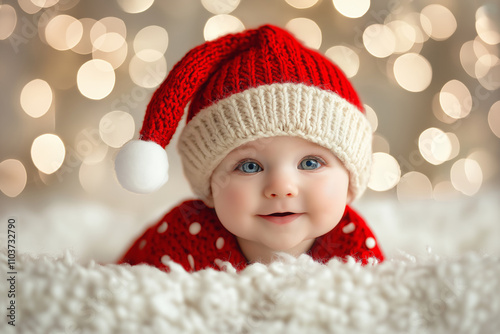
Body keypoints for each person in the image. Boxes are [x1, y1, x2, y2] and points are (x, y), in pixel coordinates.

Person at [114, 24, 384, 272]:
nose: (280, 187)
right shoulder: (182, 234)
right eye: (249, 166)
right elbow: (122, 285)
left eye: (311, 163)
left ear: (350, 181)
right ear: (209, 186)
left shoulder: (352, 246)